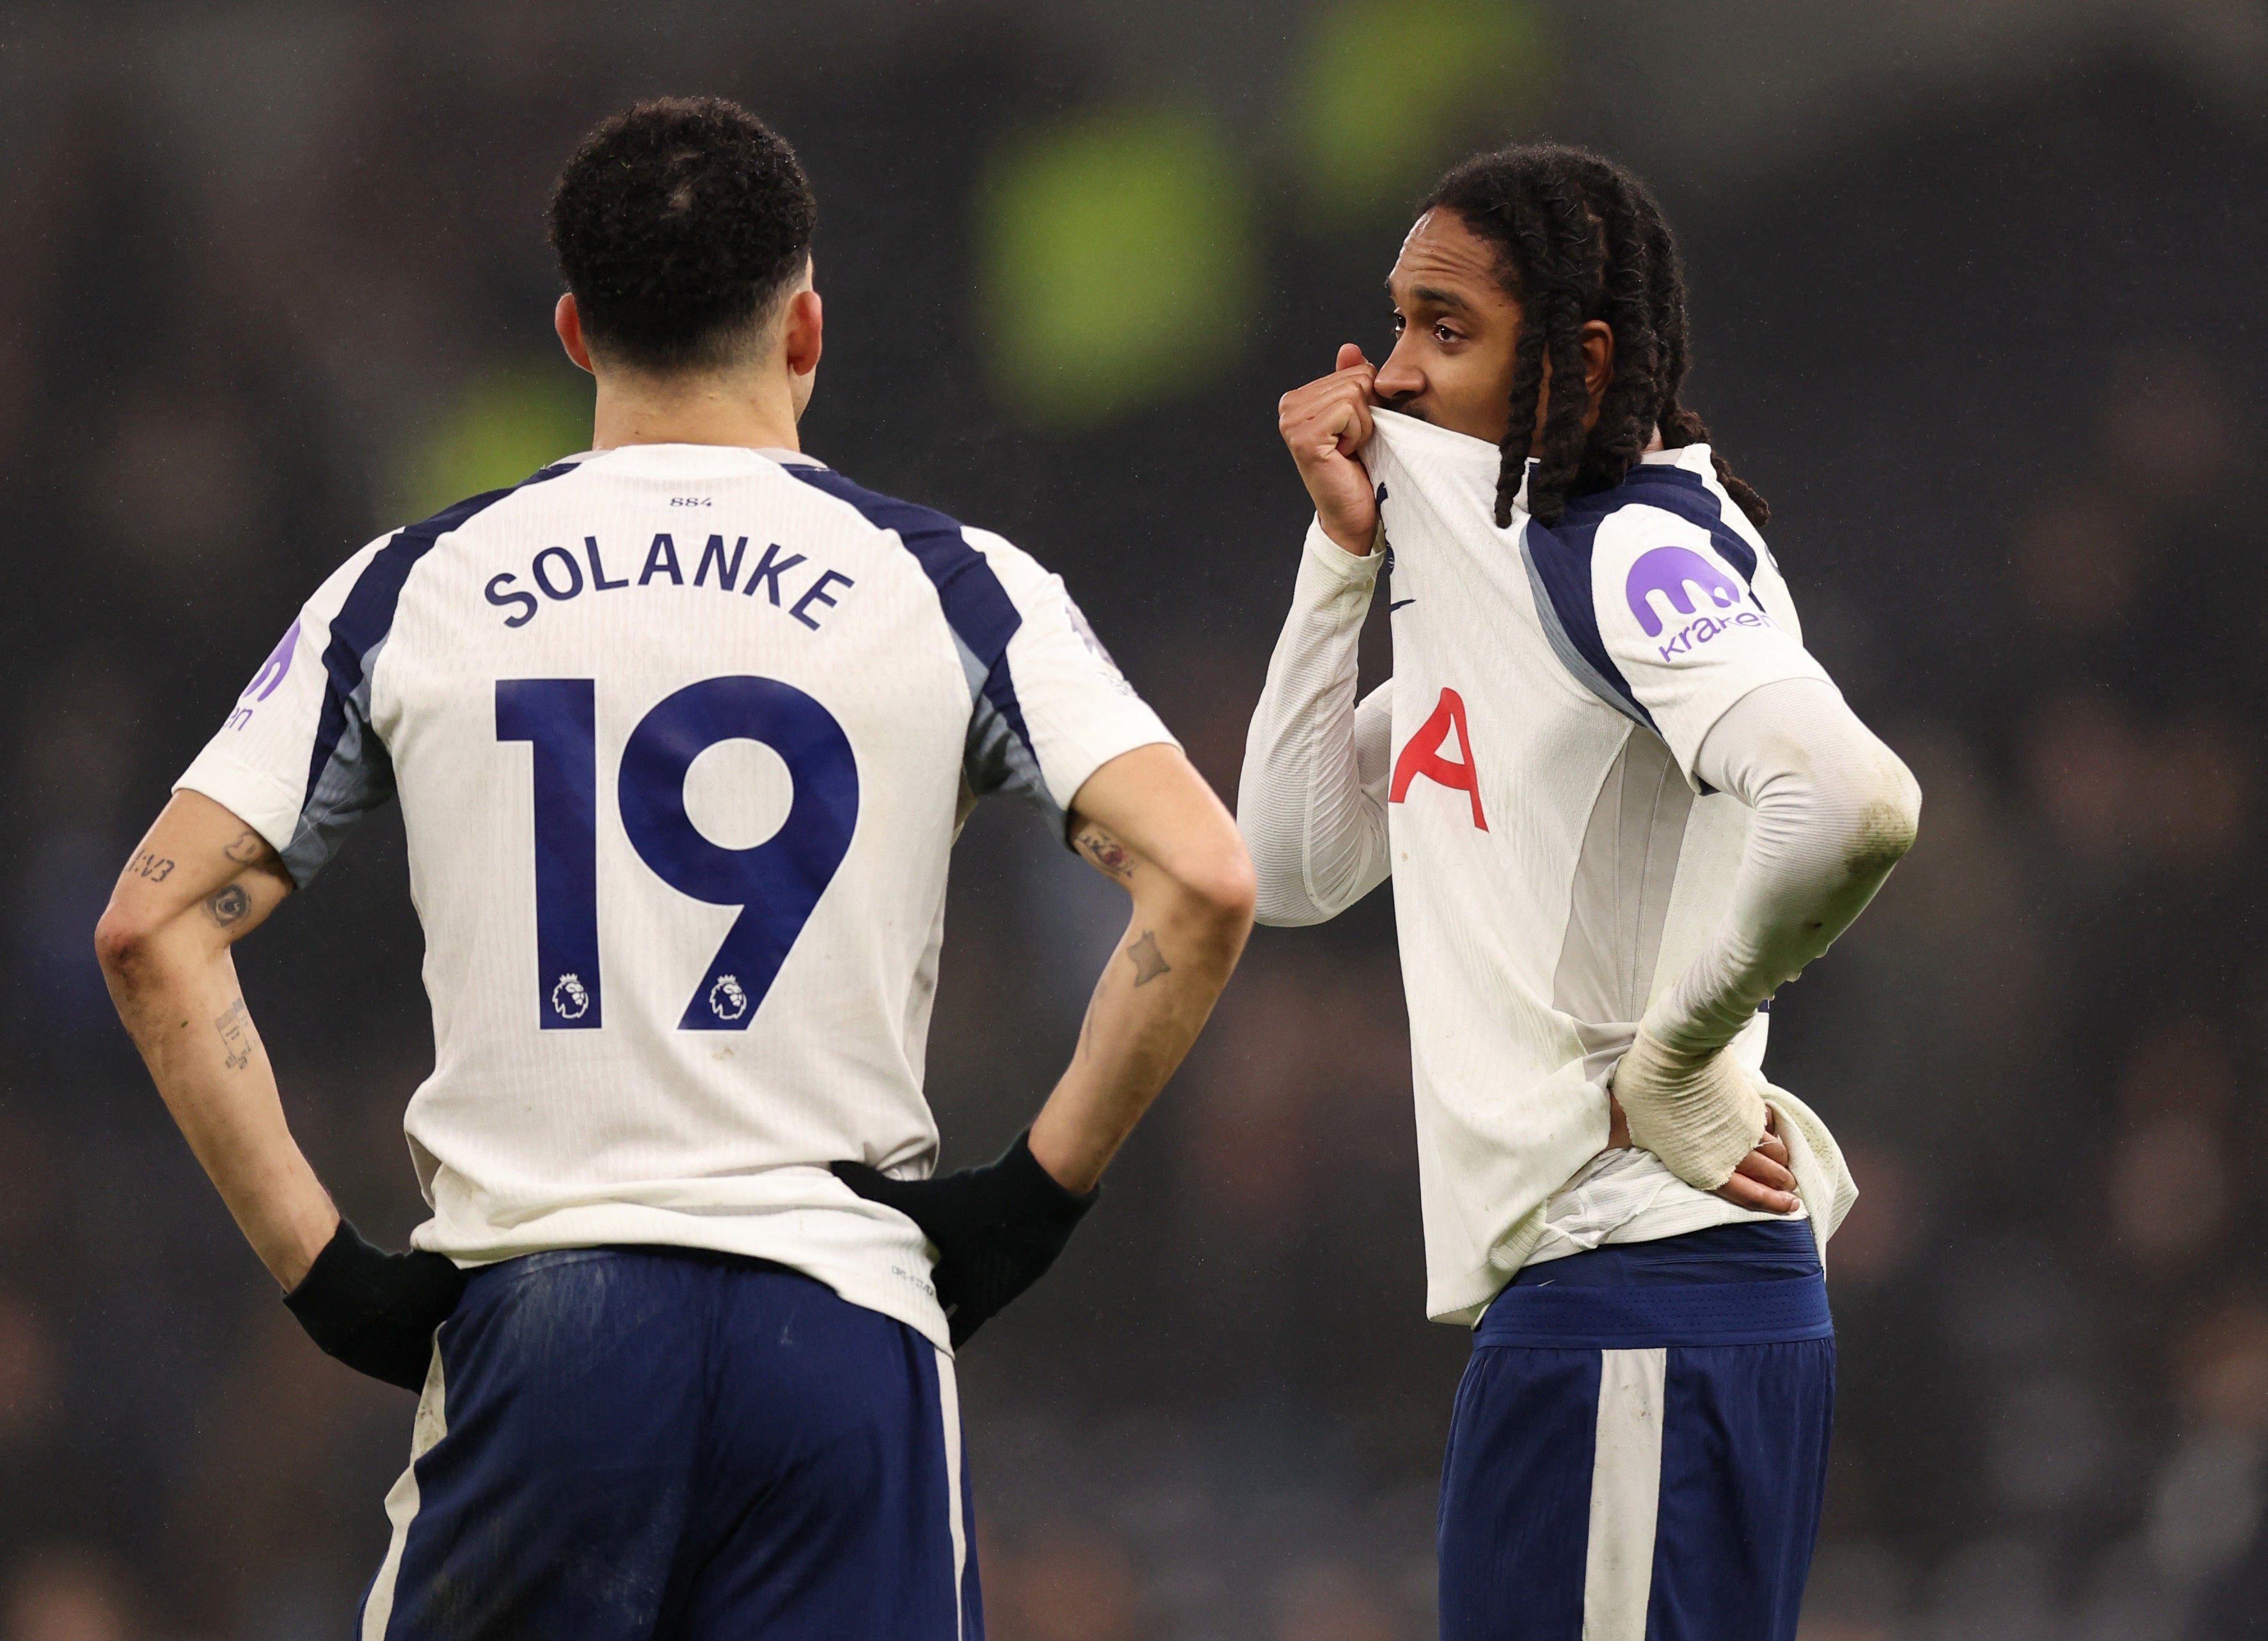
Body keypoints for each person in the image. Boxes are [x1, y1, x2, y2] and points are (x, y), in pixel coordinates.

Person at [95, 97, 1253, 1639]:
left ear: (575, 329)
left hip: (548, 1319)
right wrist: (1028, 1200)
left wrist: (330, 1277)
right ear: (807, 326)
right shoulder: (955, 584)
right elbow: (1206, 879)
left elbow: (151, 925)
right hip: (844, 1322)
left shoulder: (413, 584)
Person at [1240, 145, 1921, 1638]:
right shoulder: (1503, 591)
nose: (1392, 377)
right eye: (1396, 322)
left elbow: (1856, 797)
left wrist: (1678, 1055)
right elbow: (1287, 869)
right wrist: (1337, 558)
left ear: (1581, 356)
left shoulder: (1618, 549)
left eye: (1447, 328)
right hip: (1602, 1302)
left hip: (1644, 1285)